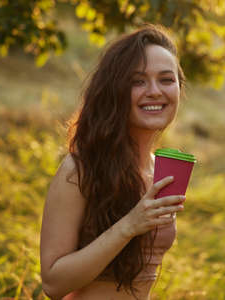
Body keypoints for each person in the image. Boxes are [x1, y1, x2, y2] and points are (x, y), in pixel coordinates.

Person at [40, 25, 186, 300]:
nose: (154, 91)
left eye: (166, 80)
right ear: (114, 90)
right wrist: (130, 225)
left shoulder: (159, 171)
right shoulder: (79, 170)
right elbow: (53, 284)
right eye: (138, 81)